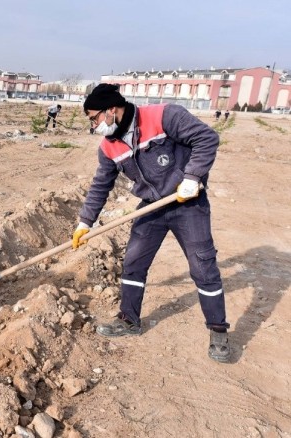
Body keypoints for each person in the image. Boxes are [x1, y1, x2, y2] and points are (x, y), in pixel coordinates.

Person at [73, 83, 230, 363]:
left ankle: (218, 330)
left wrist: (192, 177)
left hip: (187, 204)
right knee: (133, 262)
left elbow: (207, 138)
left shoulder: (164, 115)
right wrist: (85, 222)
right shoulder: (108, 147)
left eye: (94, 118)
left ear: (111, 109)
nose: (94, 125)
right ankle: (129, 320)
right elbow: (100, 185)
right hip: (151, 208)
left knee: (202, 265)